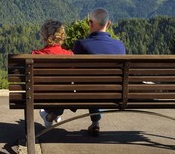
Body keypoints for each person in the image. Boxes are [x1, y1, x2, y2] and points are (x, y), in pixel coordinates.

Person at [72, 8, 126, 137]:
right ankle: (95, 123)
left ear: (90, 23)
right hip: (115, 93)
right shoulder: (120, 46)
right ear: (108, 24)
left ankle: (95, 122)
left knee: (91, 85)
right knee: (96, 85)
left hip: (87, 93)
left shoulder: (81, 45)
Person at [32, 19, 73, 127]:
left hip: (40, 96)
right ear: (62, 36)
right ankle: (53, 114)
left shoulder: (35, 55)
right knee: (61, 92)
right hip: (64, 96)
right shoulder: (70, 55)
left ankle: (50, 116)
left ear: (44, 36)